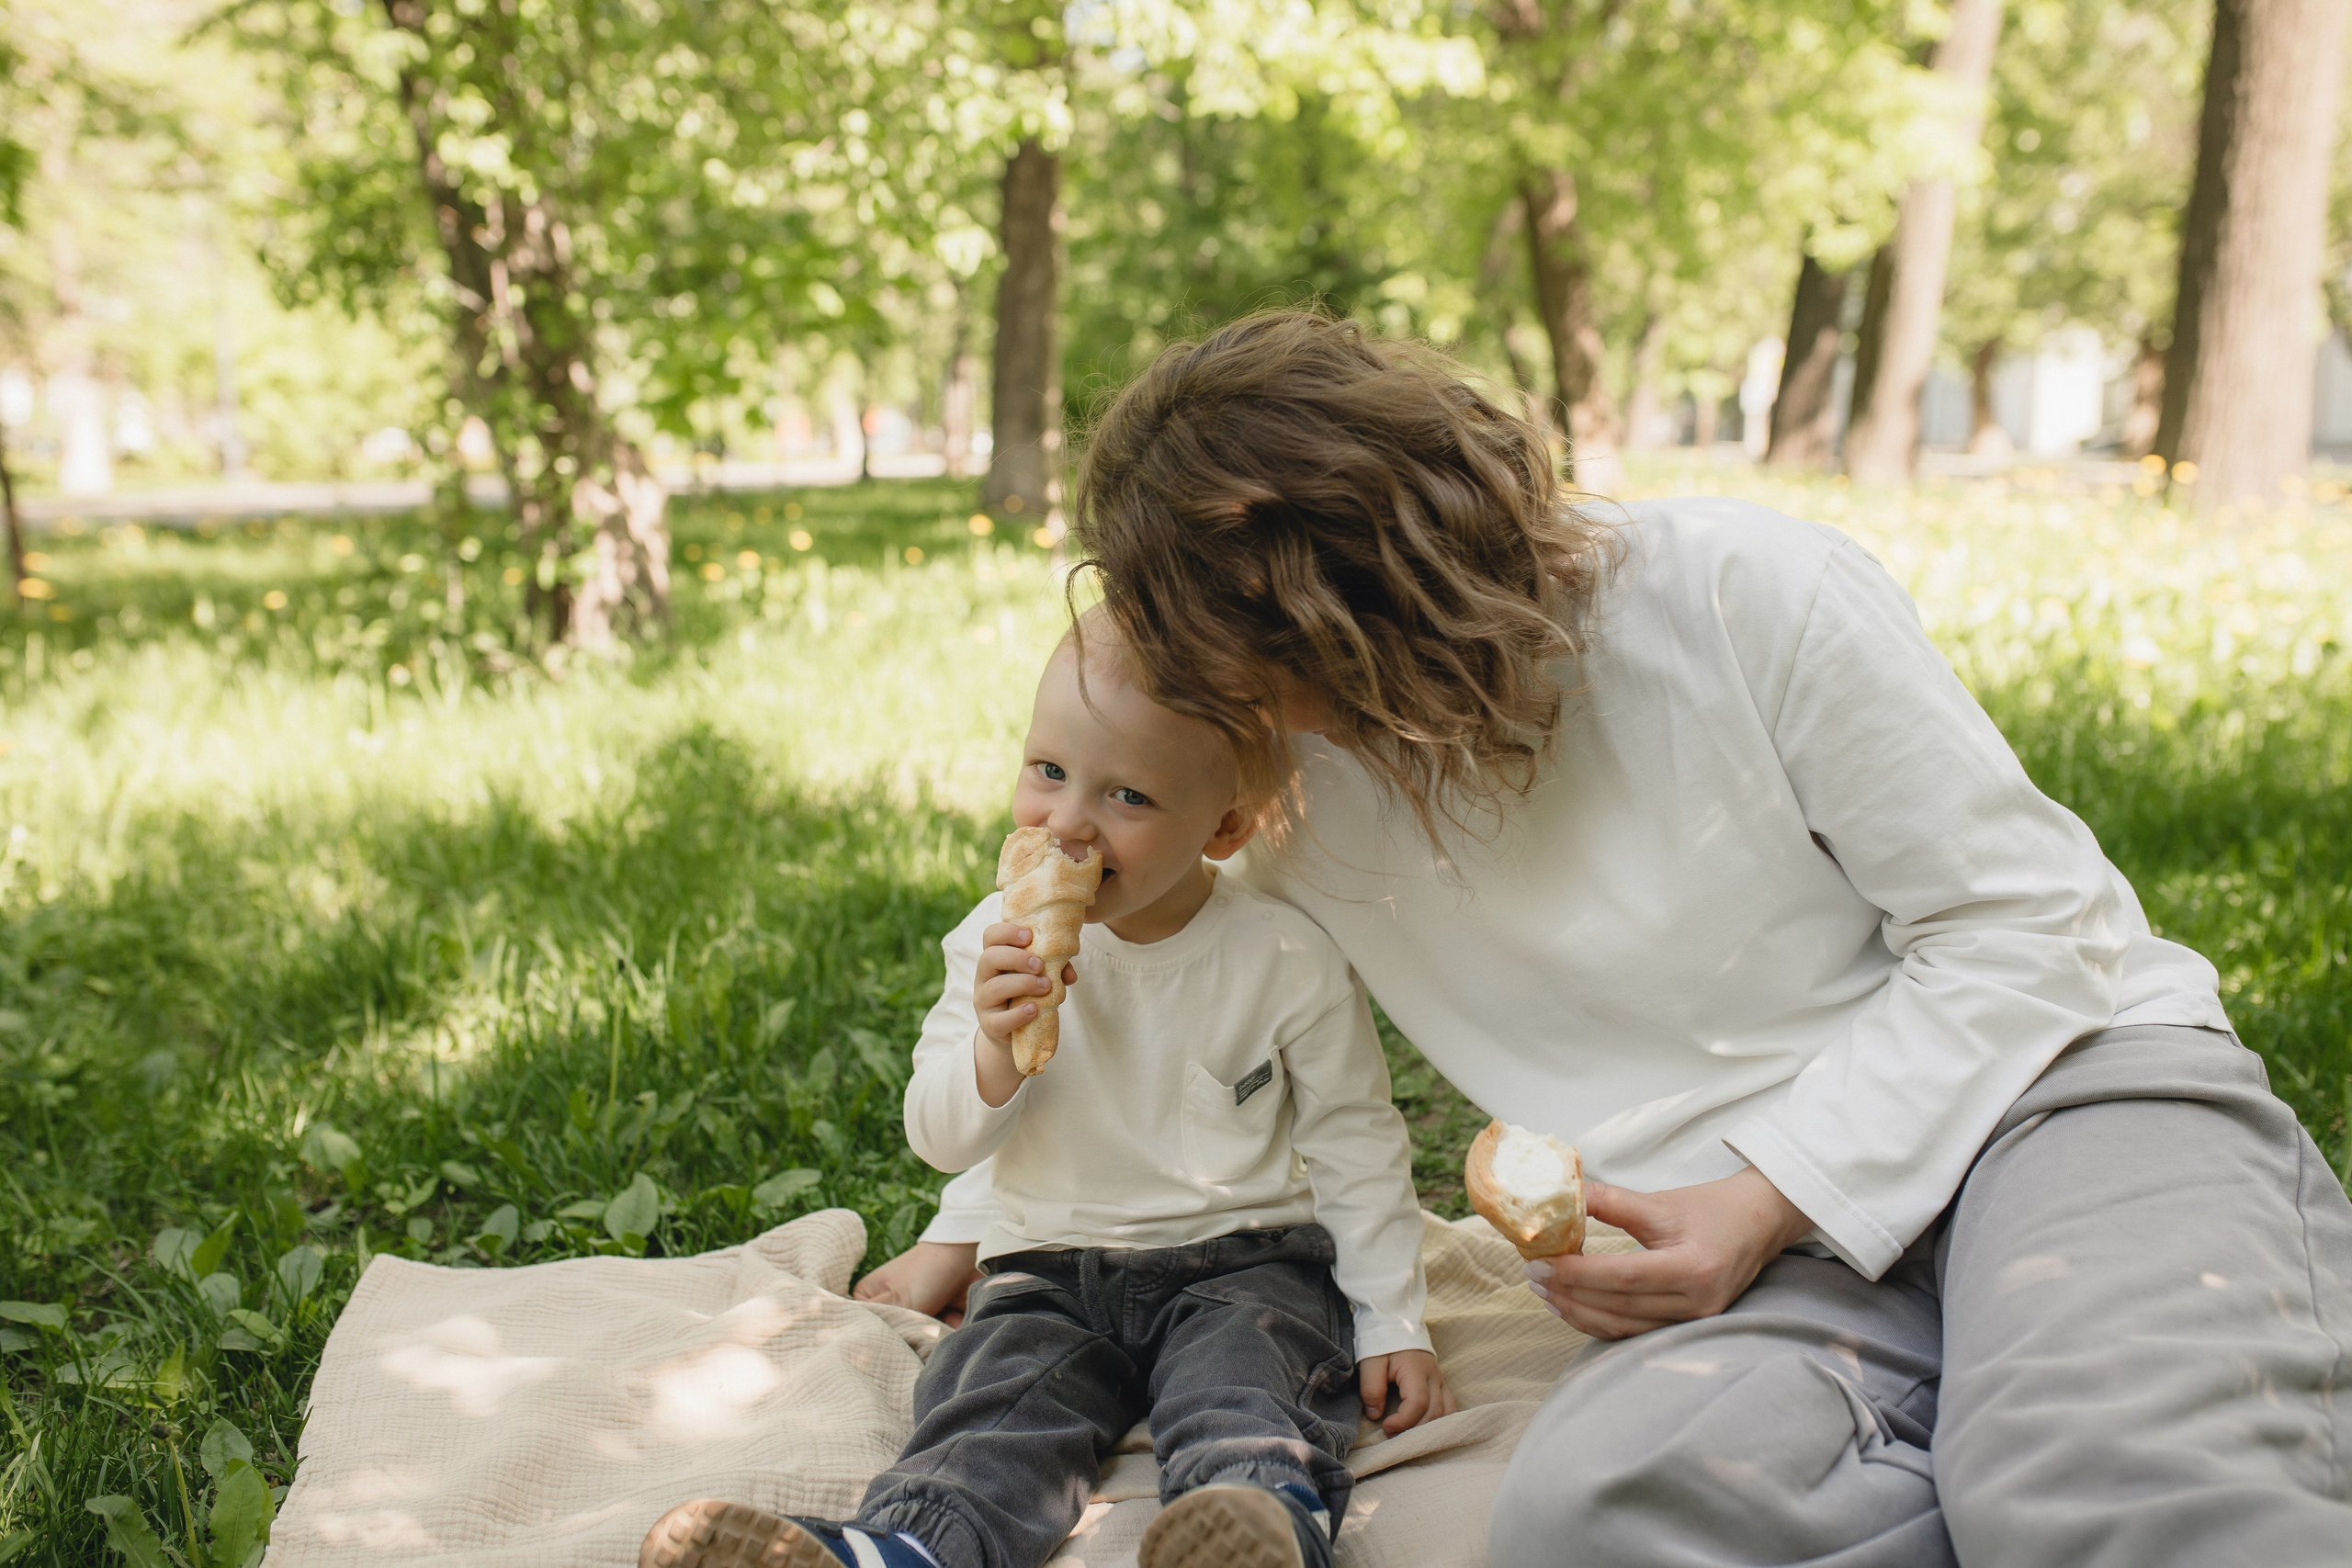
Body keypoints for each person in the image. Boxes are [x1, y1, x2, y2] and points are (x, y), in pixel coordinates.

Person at [856, 311, 2352, 1566]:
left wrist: (1770, 1193)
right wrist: (970, 1221)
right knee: (1600, 1507)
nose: (1239, 697)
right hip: (1745, 1245)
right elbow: (1140, 972)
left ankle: (2074, 1427)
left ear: (1363, 601)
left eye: (1260, 656)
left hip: (2054, 1094)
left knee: (2099, 1477)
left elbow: (2031, 931)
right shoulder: (1283, 778)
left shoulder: (1749, 594)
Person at [642, 613, 1453, 1568]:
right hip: (1049, 1270)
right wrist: (993, 1049)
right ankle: (899, 1550)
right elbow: (940, 1138)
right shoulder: (995, 943)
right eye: (1048, 771)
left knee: (1246, 1385)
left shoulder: (1284, 957)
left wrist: (1390, 1317)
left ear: (1225, 825)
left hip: (1245, 1262)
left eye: (1128, 795)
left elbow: (1355, 1141)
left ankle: (1252, 1524)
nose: (1067, 822)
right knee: (995, 1409)